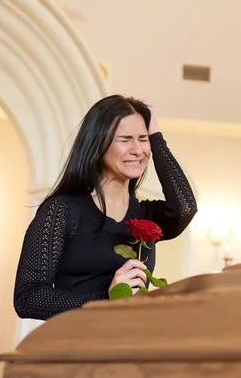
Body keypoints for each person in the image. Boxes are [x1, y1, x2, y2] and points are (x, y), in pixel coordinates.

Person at [13, 95, 197, 320]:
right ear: (98, 145)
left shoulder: (146, 215)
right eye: (125, 139)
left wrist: (156, 137)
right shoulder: (62, 210)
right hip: (76, 346)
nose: (137, 150)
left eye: (143, 138)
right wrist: (105, 299)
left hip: (128, 344)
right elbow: (28, 298)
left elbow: (185, 207)